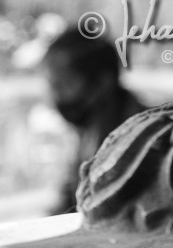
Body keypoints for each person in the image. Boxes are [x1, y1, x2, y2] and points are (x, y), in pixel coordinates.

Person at [42, 25, 146, 215]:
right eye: (52, 86)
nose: (55, 97)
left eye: (64, 85)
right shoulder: (88, 131)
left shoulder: (144, 143)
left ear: (102, 82)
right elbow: (68, 199)